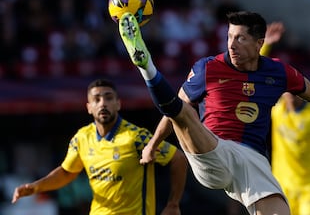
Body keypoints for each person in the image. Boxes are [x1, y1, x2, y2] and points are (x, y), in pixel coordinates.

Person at [117, 10, 310, 215]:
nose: (231, 44)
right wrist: (153, 145)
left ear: (259, 43)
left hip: (253, 161)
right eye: (229, 37)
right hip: (214, 150)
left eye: (240, 38)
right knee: (184, 112)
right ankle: (147, 66)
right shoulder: (208, 68)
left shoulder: (278, 71)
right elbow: (173, 112)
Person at [11, 79, 188, 215]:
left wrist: (173, 204)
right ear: (89, 107)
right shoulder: (82, 137)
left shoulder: (136, 137)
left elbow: (178, 158)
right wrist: (36, 187)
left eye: (108, 98)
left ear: (118, 104)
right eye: (96, 99)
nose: (103, 103)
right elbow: (67, 172)